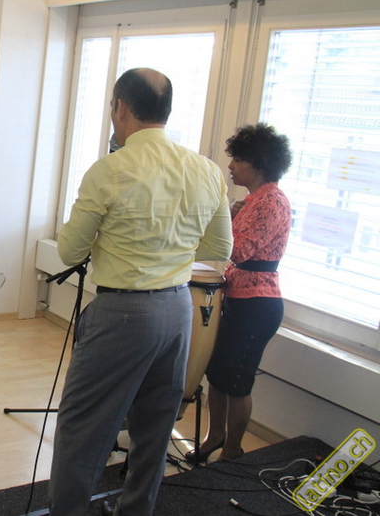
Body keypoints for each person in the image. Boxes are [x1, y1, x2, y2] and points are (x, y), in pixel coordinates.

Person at [48, 68, 233, 516]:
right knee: (155, 427)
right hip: (179, 309)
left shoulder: (110, 170)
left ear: (121, 108)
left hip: (123, 313)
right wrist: (169, 252)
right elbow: (220, 249)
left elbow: (69, 250)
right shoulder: (206, 170)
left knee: (83, 428)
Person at [188, 124, 292, 465]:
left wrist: (222, 222)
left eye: (238, 160)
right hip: (239, 298)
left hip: (258, 305)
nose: (230, 166)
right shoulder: (253, 200)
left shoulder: (272, 201)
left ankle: (233, 450)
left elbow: (239, 250)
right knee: (217, 374)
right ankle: (215, 437)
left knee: (237, 380)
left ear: (258, 163)